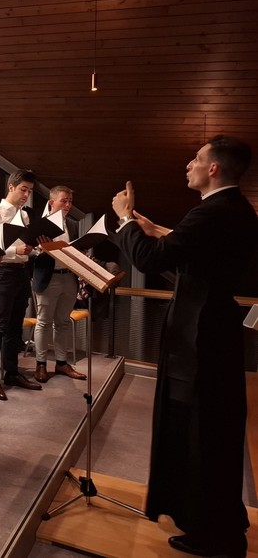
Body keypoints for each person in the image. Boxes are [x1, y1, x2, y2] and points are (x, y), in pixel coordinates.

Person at [111, 135, 258, 558]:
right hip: (212, 331)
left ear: (214, 168)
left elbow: (152, 261)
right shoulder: (233, 209)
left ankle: (213, 534)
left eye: (196, 159)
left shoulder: (212, 212)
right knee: (210, 430)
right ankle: (220, 520)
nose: (188, 165)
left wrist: (124, 222)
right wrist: (155, 229)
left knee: (200, 432)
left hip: (201, 337)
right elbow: (194, 250)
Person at [0, 169, 41, 400]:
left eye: (30, 191)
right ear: (11, 187)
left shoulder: (25, 216)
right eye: (23, 189)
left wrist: (35, 248)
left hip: (21, 272)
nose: (26, 194)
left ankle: (12, 372)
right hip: (2, 272)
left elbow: (27, 247)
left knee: (15, 327)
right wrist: (16, 250)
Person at [31, 186, 86, 382]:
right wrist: (40, 250)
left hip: (68, 277)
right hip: (48, 278)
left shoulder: (72, 224)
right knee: (44, 322)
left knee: (63, 322)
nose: (68, 205)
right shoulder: (39, 223)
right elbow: (30, 254)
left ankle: (62, 363)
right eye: (64, 200)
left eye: (70, 201)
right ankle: (41, 364)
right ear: (52, 202)